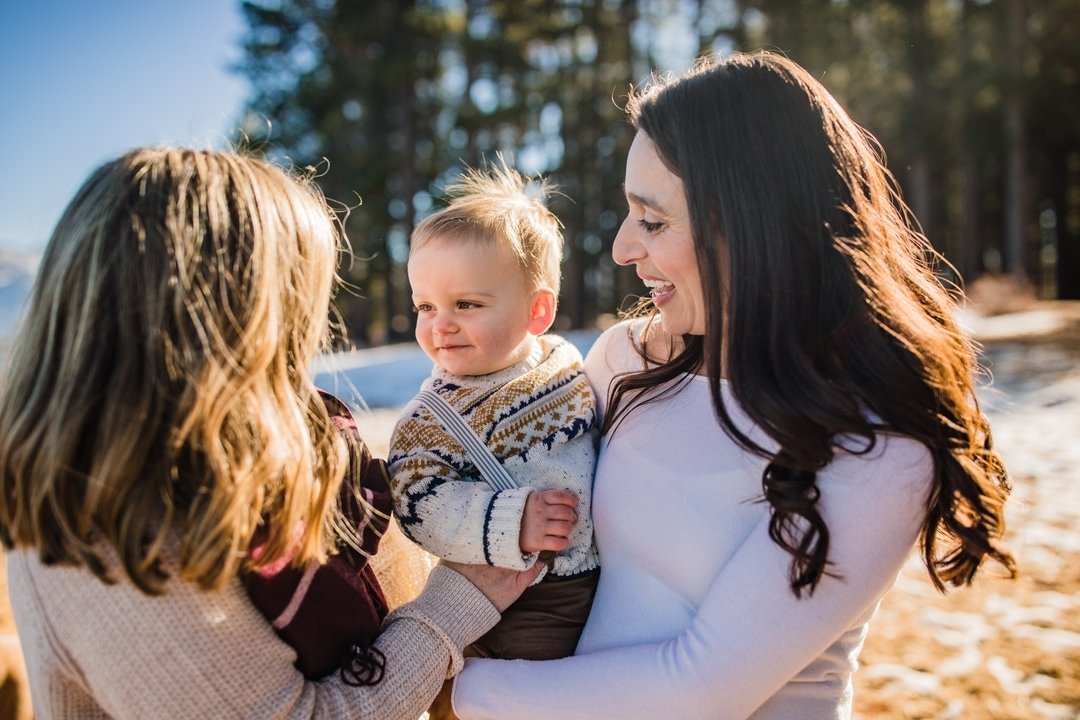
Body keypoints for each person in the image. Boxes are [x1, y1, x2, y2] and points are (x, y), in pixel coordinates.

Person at [451, 51, 1017, 719]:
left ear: (752, 226)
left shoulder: (877, 445)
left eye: (653, 221)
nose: (621, 248)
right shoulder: (622, 363)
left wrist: (460, 688)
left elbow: (699, 689)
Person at [0, 146, 541, 720]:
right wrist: (456, 606)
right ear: (225, 311)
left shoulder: (281, 441)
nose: (309, 323)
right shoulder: (98, 535)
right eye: (296, 292)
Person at [387, 162, 600, 666]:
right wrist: (510, 522)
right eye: (425, 307)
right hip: (518, 600)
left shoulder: (564, 364)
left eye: (466, 304)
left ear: (537, 312)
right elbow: (417, 501)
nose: (441, 325)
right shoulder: (432, 417)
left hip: (602, 581)